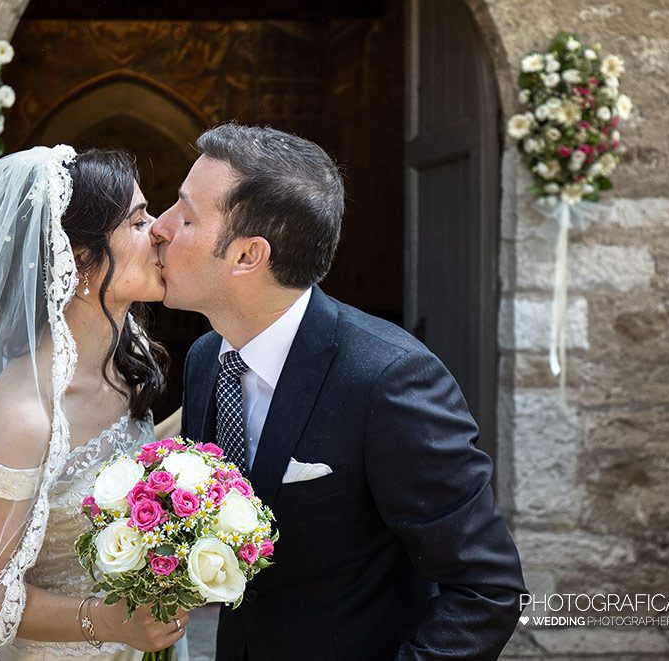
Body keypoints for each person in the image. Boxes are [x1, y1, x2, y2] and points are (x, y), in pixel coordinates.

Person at [151, 123, 525, 660]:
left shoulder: (390, 379)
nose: (159, 229)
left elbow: (487, 590)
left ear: (247, 256)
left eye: (185, 215)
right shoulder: (207, 359)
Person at [0, 147, 189, 660]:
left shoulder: (129, 349)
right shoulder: (25, 415)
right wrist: (109, 623)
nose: (160, 229)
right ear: (79, 257)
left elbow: (120, 466)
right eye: (139, 220)